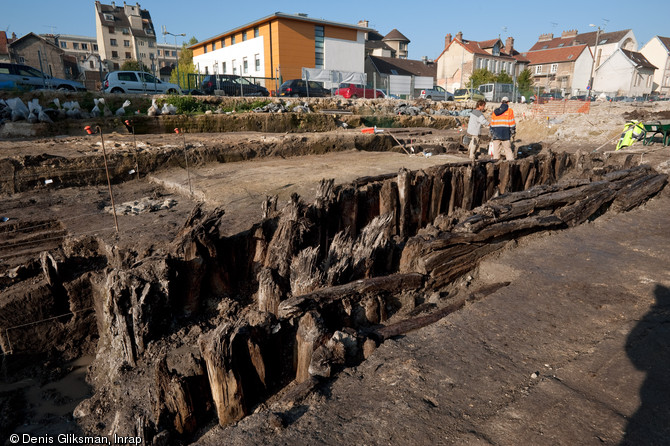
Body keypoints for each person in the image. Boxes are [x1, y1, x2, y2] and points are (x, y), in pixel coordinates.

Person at [490, 96, 516, 160]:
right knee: (508, 150)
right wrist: (513, 131)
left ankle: (496, 165)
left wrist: (491, 132)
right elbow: (512, 123)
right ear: (508, 102)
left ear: (501, 102)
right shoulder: (510, 111)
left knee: (496, 151)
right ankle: (510, 164)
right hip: (505, 133)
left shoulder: (495, 112)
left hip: (496, 133)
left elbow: (492, 124)